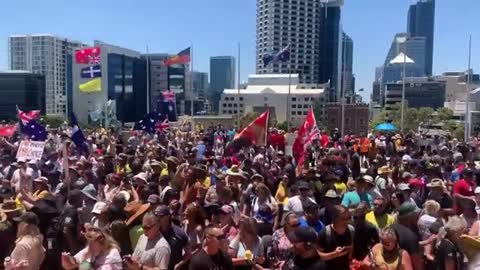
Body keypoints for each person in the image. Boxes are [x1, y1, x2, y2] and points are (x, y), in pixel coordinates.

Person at [317, 205, 354, 270]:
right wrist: (335, 254)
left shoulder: (351, 230)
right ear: (334, 218)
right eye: (343, 218)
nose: (347, 221)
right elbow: (318, 256)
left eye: (348, 217)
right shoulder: (325, 233)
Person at [392, 203, 425, 270]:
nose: (418, 216)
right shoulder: (410, 237)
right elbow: (418, 266)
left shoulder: (390, 228)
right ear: (409, 217)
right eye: (416, 214)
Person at [155, 205, 189, 270]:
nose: (158, 218)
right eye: (156, 216)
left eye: (161, 216)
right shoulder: (154, 230)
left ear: (168, 216)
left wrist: (179, 264)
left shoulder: (179, 233)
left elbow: (188, 253)